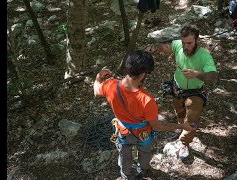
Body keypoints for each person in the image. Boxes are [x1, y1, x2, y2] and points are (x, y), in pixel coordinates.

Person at [93, 50, 195, 180]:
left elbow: (96, 91)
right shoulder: (146, 100)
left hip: (122, 131)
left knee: (125, 156)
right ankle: (145, 169)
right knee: (145, 152)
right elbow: (157, 126)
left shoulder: (110, 85)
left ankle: (127, 175)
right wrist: (182, 126)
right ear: (142, 74)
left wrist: (98, 76)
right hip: (143, 134)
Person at [145, 24, 218, 159]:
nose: (186, 46)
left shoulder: (204, 56)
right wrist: (155, 48)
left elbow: (213, 77)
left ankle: (184, 142)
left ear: (197, 41)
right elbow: (166, 47)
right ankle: (181, 126)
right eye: (184, 43)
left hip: (195, 93)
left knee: (192, 118)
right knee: (179, 111)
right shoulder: (179, 44)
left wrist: (197, 74)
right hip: (177, 88)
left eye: (189, 43)